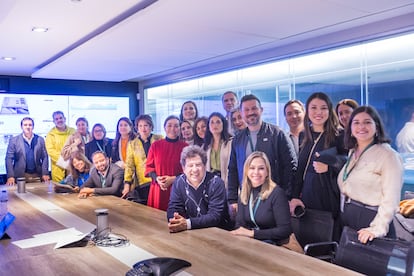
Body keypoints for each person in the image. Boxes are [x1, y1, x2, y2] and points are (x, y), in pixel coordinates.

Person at [338, 106, 403, 243]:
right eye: (356, 122)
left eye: (367, 122)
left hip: (371, 221)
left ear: (377, 127)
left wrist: (377, 228)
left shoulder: (388, 155)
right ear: (350, 129)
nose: (361, 126)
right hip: (350, 218)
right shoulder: (353, 152)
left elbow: (391, 199)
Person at [290, 92, 347, 241]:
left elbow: (349, 163)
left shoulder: (339, 135)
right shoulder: (304, 135)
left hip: (328, 197)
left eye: (323, 108)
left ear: (329, 110)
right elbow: (300, 168)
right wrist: (295, 196)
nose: (318, 112)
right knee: (308, 237)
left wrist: (331, 166)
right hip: (307, 196)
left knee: (327, 238)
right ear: (308, 111)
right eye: (314, 108)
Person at [227, 94, 297, 215]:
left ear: (261, 110)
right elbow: (233, 170)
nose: (250, 112)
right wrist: (232, 199)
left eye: (254, 108)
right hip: (247, 198)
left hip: (274, 198)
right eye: (246, 110)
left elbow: (291, 167)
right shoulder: (238, 139)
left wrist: (287, 196)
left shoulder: (277, 134)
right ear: (242, 113)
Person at [231, 152, 292, 245]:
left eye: (261, 168)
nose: (256, 172)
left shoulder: (277, 193)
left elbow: (285, 230)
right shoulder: (244, 192)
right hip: (250, 243)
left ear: (267, 172)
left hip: (272, 246)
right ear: (246, 171)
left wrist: (253, 234)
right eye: (252, 168)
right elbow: (239, 225)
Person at [167, 145, 231, 232]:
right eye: (190, 165)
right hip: (189, 231)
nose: (194, 169)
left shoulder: (216, 183)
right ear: (183, 168)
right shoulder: (178, 182)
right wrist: (175, 220)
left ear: (205, 166)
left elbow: (215, 216)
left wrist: (188, 224)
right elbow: (173, 207)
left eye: (198, 165)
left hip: (217, 232)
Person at [145, 115, 188, 211]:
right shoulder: (155, 146)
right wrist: (157, 179)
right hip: (158, 188)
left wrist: (173, 179)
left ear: (180, 128)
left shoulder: (186, 147)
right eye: (169, 125)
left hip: (178, 188)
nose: (173, 128)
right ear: (164, 127)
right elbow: (149, 167)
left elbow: (189, 172)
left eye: (176, 126)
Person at [123, 114, 163, 204]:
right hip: (142, 182)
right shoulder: (132, 144)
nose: (143, 128)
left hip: (158, 179)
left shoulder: (160, 139)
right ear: (137, 128)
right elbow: (129, 165)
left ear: (151, 126)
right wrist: (127, 183)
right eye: (140, 126)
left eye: (146, 125)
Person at [5, 117, 49, 185]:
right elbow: (9, 159)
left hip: (37, 175)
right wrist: (10, 176)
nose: (28, 127)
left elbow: (45, 157)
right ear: (21, 127)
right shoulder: (14, 140)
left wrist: (45, 173)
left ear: (33, 127)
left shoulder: (40, 139)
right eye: (25, 125)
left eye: (30, 125)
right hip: (20, 176)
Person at [203, 112, 232, 189]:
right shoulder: (205, 146)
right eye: (212, 122)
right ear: (208, 126)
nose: (215, 125)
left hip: (227, 182)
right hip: (210, 183)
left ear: (223, 124)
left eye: (218, 122)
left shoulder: (231, 143)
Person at [45, 111, 76, 182]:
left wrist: (72, 160)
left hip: (73, 164)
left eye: (60, 118)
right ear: (54, 121)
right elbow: (51, 152)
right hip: (58, 167)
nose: (59, 120)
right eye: (56, 119)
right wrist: (65, 162)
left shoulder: (73, 131)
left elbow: (77, 146)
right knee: (59, 190)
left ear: (64, 119)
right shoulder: (51, 134)